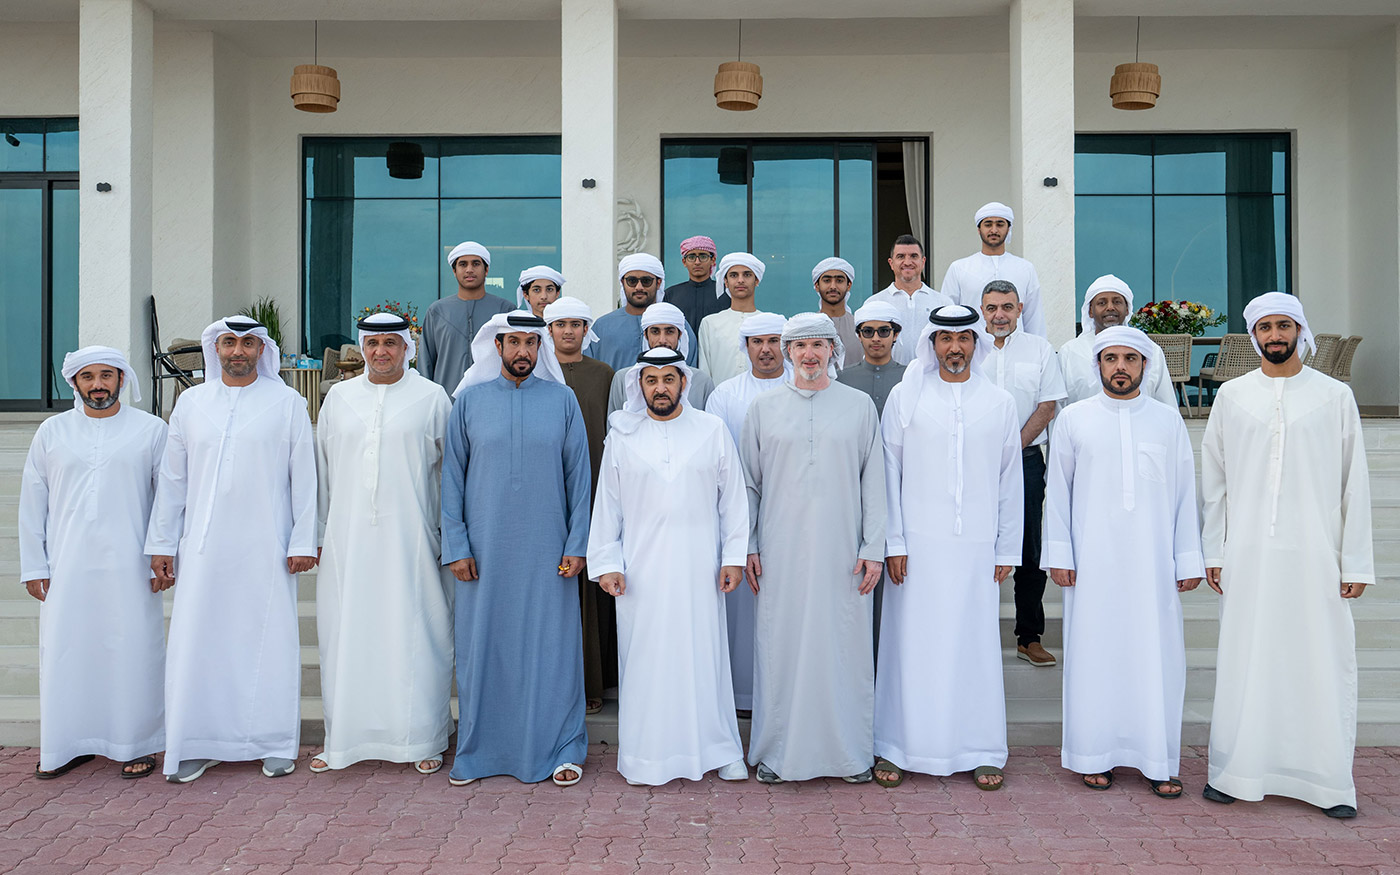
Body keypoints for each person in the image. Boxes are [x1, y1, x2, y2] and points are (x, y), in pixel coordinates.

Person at [1200, 292, 1374, 819]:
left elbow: (1355, 482)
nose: (1275, 335)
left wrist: (1355, 560)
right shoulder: (1232, 396)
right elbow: (1215, 482)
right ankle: (1236, 772)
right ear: (1254, 336)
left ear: (1300, 330)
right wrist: (1214, 549)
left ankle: (1326, 783)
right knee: (1246, 660)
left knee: (1319, 662)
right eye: (1265, 327)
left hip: (1316, 555)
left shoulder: (1334, 395)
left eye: (1284, 326)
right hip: (1248, 553)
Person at [147, 317, 317, 783]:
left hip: (266, 546)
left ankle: (273, 743)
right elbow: (173, 481)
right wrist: (162, 543)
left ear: (261, 350)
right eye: (228, 343)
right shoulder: (191, 403)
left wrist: (303, 540)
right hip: (203, 550)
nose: (237, 351)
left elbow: (304, 478)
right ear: (215, 349)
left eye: (247, 343)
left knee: (268, 642)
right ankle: (197, 743)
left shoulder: (288, 403)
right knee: (200, 643)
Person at [1042, 325, 1204, 798]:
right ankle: (1094, 755)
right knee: (1095, 656)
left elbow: (1184, 493)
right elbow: (1058, 494)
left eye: (1129, 359)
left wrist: (1187, 558)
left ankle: (1157, 760)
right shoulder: (1074, 420)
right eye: (1110, 358)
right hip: (1092, 563)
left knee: (1156, 657)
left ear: (1144, 366)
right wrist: (1060, 554)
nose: (1120, 367)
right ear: (1097, 365)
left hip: (1152, 564)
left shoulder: (1166, 421)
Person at [873, 305, 1022, 792]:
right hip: (915, 547)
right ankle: (898, 746)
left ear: (976, 343)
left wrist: (1007, 549)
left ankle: (980, 749)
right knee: (912, 646)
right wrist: (894, 541)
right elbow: (888, 474)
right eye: (944, 339)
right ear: (931, 344)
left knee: (973, 646)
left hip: (977, 546)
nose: (954, 348)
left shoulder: (999, 401)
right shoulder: (905, 396)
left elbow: (1010, 480)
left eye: (963, 339)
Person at [442, 311, 591, 788]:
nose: (523, 351)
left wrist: (578, 543)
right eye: (514, 342)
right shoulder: (468, 402)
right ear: (497, 347)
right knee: (485, 651)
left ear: (540, 348)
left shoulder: (563, 400)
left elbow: (579, 478)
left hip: (549, 553)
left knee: (552, 650)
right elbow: (451, 480)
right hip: (483, 555)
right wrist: (456, 545)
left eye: (531, 342)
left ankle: (563, 748)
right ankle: (480, 753)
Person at [588, 347, 750, 786]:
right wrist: (608, 563)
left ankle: (721, 751)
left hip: (701, 569)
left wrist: (733, 557)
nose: (660, 388)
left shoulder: (712, 429)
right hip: (641, 573)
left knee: (705, 659)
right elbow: (607, 506)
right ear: (639, 385)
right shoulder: (622, 436)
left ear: (683, 383)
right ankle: (648, 757)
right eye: (651, 380)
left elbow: (733, 500)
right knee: (648, 662)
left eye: (669, 379)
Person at [742, 314, 886, 785]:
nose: (809, 354)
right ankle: (777, 753)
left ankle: (849, 754)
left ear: (832, 351)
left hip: (844, 553)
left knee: (843, 648)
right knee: (780, 648)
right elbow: (749, 485)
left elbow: (875, 482)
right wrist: (748, 545)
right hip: (780, 552)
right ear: (788, 352)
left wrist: (874, 547)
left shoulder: (859, 406)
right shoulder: (763, 409)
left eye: (818, 345)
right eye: (800, 346)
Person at [312, 314, 455, 776]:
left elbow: (450, 475)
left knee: (418, 635)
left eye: (391, 343)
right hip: (348, 541)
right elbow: (322, 472)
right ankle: (344, 740)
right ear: (363, 348)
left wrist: (447, 537)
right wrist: (318, 534)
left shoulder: (432, 397)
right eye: (373, 344)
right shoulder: (338, 399)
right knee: (346, 635)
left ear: (406, 348)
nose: (381, 352)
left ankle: (423, 737)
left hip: (413, 540)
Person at [19, 347, 166, 780]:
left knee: (133, 651)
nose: (98, 385)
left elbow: (168, 498)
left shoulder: (151, 430)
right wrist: (34, 566)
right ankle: (68, 744)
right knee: (67, 653)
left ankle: (137, 744)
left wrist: (162, 553)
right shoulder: (52, 431)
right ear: (75, 383)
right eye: (88, 377)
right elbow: (32, 501)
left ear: (122, 379)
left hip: (131, 565)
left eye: (106, 375)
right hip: (67, 564)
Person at [972, 280, 1067, 667]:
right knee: (976, 543)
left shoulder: (1040, 349)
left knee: (1029, 546)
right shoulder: (968, 347)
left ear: (1020, 309)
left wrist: (1010, 449)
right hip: (974, 461)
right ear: (982, 309)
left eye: (1007, 307)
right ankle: (973, 635)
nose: (999, 315)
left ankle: (1029, 637)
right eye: (992, 307)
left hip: (1026, 460)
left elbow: (1047, 407)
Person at [702, 311, 787, 715]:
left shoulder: (804, 388)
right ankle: (741, 697)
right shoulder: (724, 395)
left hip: (791, 514)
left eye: (773, 341)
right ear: (746, 347)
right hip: (736, 515)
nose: (766, 350)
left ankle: (784, 695)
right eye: (758, 342)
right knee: (740, 612)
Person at [545, 296, 617, 716]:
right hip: (547, 492)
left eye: (576, 324)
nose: (569, 331)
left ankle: (592, 682)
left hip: (595, 488)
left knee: (591, 588)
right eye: (561, 324)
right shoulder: (538, 372)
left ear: (586, 330)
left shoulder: (603, 374)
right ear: (549, 330)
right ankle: (553, 681)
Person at [1059, 275, 1177, 409]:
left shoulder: (1150, 350)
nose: (1110, 307)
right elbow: (1059, 407)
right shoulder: (1070, 351)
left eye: (1117, 302)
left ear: (1127, 309)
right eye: (1102, 303)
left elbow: (1166, 404)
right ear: (1090, 311)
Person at [419, 241, 516, 393]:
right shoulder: (437, 312)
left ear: (486, 269)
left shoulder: (505, 310)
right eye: (463, 264)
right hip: (446, 400)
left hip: (496, 399)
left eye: (476, 264)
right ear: (454, 271)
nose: (469, 270)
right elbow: (426, 363)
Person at [939, 202, 1046, 337]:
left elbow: (1034, 318)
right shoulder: (959, 268)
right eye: (988, 224)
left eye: (1000, 224)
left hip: (1016, 346)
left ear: (1008, 229)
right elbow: (947, 315)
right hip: (974, 346)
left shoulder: (1025, 268)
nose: (994, 230)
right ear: (979, 229)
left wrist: (1038, 346)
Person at [592, 254, 698, 371]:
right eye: (632, 281)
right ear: (622, 282)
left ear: (658, 283)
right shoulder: (602, 327)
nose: (639, 287)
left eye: (646, 281)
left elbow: (691, 371)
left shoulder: (676, 323)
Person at [606, 303, 715, 415]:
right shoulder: (623, 379)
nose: (662, 340)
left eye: (669, 332)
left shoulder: (702, 382)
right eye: (655, 332)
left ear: (679, 335)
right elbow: (614, 423)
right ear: (646, 335)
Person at [865, 235, 952, 365]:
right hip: (889, 375)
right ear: (891, 263)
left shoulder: (943, 303)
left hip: (931, 374)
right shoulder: (874, 303)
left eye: (913, 256)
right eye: (900, 257)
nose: (907, 262)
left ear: (923, 262)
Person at [698, 252, 766, 384]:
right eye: (734, 275)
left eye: (747, 275)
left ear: (756, 280)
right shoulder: (710, 323)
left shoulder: (768, 323)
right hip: (719, 396)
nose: (740, 280)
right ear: (726, 282)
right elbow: (704, 372)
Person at [837, 300, 906, 418]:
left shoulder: (909, 377)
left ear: (895, 335)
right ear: (859, 336)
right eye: (868, 332)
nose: (875, 338)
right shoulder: (841, 379)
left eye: (884, 331)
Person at [663, 236, 727, 334]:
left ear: (713, 260)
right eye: (691, 257)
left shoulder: (725, 292)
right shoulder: (671, 295)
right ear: (684, 262)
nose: (697, 262)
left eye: (703, 257)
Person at [812, 257, 860, 367]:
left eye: (839, 281)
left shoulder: (860, 327)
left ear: (849, 285)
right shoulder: (809, 327)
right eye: (827, 281)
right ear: (817, 285)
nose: (833, 286)